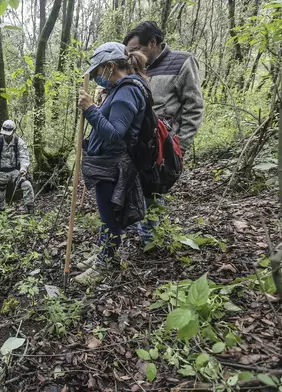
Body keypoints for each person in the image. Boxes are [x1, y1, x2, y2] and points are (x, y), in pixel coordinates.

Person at [123, 21, 204, 245]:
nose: (133, 55)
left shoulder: (182, 62)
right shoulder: (137, 67)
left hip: (164, 145)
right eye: (129, 52)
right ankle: (141, 234)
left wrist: (181, 145)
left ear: (153, 42)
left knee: (153, 192)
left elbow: (194, 106)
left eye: (137, 49)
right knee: (133, 189)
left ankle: (150, 243)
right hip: (137, 144)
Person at [74, 43, 148, 283]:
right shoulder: (118, 89)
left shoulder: (128, 91)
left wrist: (90, 109)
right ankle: (101, 251)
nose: (97, 77)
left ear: (111, 66)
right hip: (104, 162)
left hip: (113, 165)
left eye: (98, 72)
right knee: (106, 214)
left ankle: (105, 263)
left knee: (110, 218)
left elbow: (116, 133)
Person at [0, 120, 34, 214]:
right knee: (0, 195)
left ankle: (30, 209)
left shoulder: (19, 142)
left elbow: (24, 157)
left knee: (27, 185)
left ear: (13, 131)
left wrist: (23, 168)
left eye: (8, 133)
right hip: (1, 172)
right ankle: (0, 214)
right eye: (5, 133)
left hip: (15, 171)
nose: (6, 135)